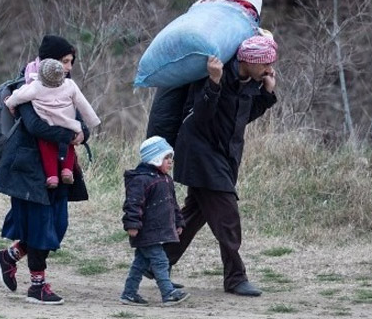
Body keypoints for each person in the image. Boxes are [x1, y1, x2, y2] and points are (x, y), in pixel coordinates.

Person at [147, 33, 278, 297]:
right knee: (227, 218)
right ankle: (235, 277)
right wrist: (214, 83)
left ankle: (156, 262)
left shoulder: (248, 81)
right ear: (248, 61)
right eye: (265, 64)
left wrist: (266, 94)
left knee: (194, 215)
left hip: (224, 157)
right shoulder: (216, 77)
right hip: (201, 155)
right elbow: (200, 117)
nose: (269, 69)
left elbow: (242, 117)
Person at [0, 35, 91, 305]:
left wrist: (84, 132)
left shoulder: (65, 87)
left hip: (59, 166)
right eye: (64, 61)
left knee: (58, 225)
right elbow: (34, 125)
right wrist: (70, 134)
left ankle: (9, 256)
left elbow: (81, 120)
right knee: (40, 226)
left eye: (71, 62)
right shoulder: (27, 87)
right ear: (50, 62)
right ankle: (37, 285)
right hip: (29, 168)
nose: (69, 67)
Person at [5, 58, 101, 188]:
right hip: (69, 124)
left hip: (48, 123)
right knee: (69, 146)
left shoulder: (36, 87)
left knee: (47, 149)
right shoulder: (70, 84)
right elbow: (83, 104)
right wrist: (93, 121)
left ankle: (52, 177)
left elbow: (19, 96)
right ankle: (67, 170)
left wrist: (9, 103)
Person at [119, 136, 190, 307]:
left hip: (159, 230)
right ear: (155, 158)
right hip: (146, 231)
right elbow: (133, 204)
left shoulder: (166, 179)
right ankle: (168, 293)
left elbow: (173, 203)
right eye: (166, 158)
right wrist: (132, 225)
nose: (170, 162)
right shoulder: (141, 180)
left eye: (171, 158)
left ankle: (129, 294)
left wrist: (179, 222)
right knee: (160, 261)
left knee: (140, 264)